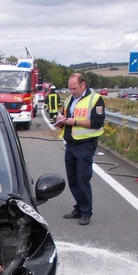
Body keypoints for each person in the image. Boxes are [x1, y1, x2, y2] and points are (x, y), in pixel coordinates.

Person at [55, 73, 105, 226]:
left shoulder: (95, 99)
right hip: (71, 143)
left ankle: (86, 212)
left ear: (83, 85)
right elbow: (64, 115)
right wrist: (60, 120)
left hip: (85, 144)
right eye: (70, 88)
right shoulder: (70, 99)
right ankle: (78, 207)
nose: (71, 91)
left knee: (82, 178)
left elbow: (97, 122)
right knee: (73, 179)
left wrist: (74, 121)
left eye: (74, 88)